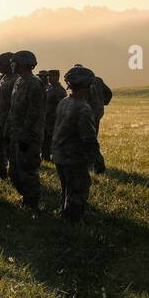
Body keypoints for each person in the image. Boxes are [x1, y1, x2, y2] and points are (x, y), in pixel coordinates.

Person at [52, 66, 106, 222]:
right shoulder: (83, 108)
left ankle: (64, 214)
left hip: (60, 154)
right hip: (74, 157)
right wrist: (98, 159)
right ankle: (73, 222)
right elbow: (88, 138)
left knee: (66, 189)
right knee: (78, 189)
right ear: (88, 85)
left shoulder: (64, 102)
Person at [7, 50, 45, 210]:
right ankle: (26, 197)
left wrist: (26, 136)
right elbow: (13, 108)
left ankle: (32, 202)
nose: (11, 65)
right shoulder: (18, 82)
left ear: (22, 64)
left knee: (27, 170)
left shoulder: (34, 83)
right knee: (14, 171)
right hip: (16, 134)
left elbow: (34, 112)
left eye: (14, 62)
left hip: (29, 136)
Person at [41, 69, 65, 162]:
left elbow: (61, 107)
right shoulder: (49, 88)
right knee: (46, 140)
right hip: (47, 119)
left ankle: (55, 158)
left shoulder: (60, 90)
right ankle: (45, 157)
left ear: (56, 77)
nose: (48, 78)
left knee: (53, 139)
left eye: (50, 76)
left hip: (54, 120)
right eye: (48, 76)